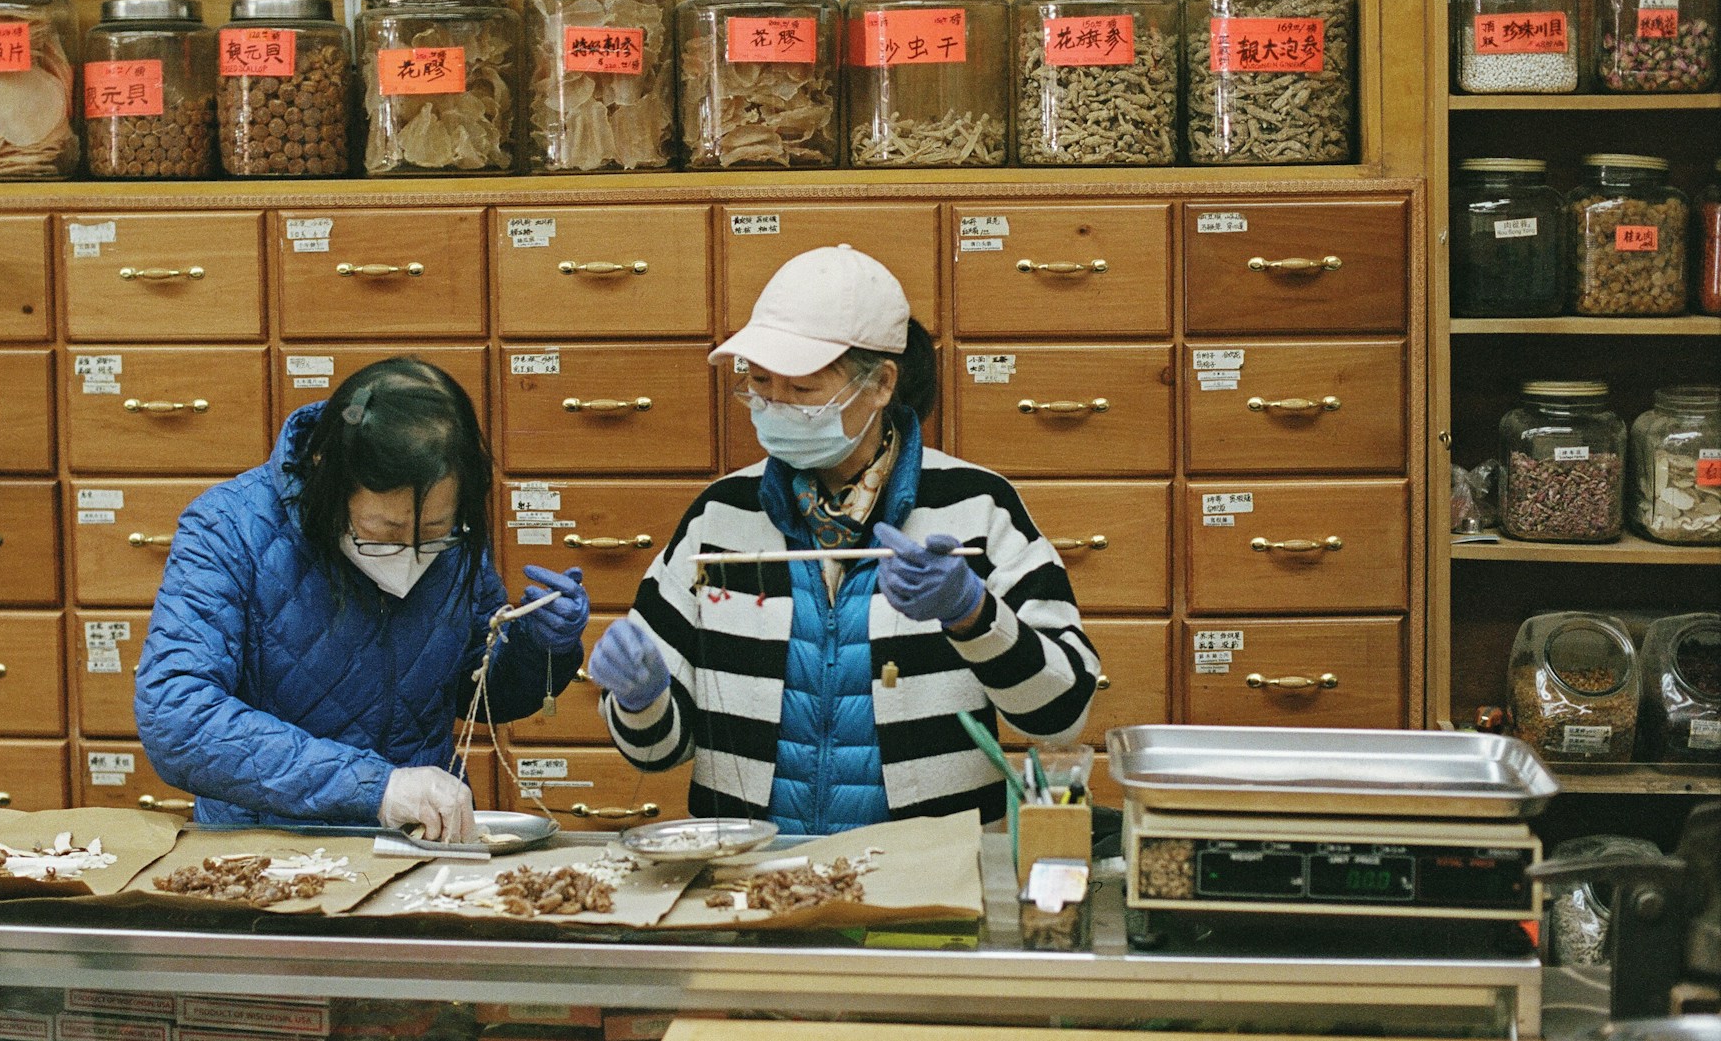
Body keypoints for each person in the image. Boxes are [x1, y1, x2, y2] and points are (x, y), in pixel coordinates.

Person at [587, 246, 1100, 832]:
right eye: (759, 382)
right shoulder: (719, 517)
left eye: (804, 389)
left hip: (926, 879)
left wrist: (974, 616)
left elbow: (1064, 713)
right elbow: (655, 753)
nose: (774, 405)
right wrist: (641, 698)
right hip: (752, 876)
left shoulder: (976, 508)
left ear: (881, 384)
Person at [135, 357, 590, 840]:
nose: (411, 557)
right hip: (267, 854)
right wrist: (378, 788)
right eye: (383, 532)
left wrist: (539, 647)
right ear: (326, 479)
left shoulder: (453, 539)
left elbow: (478, 690)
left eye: (433, 533)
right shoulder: (228, 528)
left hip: (423, 843)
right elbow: (176, 716)